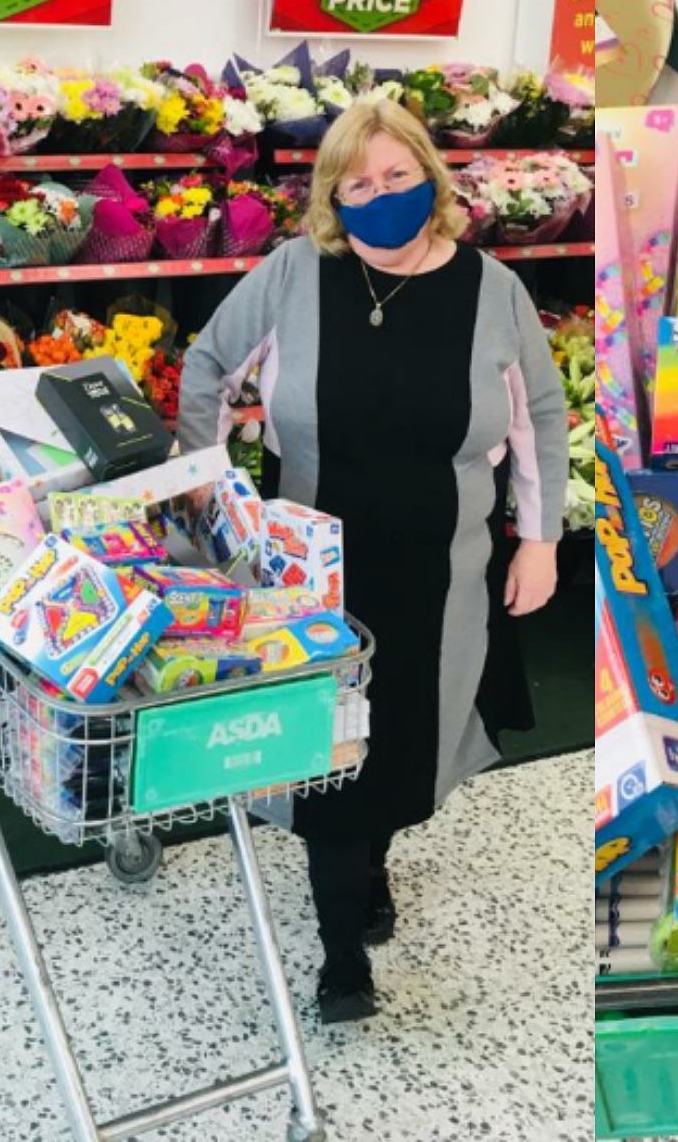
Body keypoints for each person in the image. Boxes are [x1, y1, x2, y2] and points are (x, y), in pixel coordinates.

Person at [178, 98, 568, 1024]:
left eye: (397, 176)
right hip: (310, 580)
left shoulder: (493, 291)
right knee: (328, 764)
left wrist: (541, 539)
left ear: (431, 178)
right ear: (331, 197)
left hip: (443, 576)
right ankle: (341, 953)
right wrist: (204, 492)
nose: (380, 196)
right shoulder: (294, 274)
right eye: (357, 184)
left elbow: (540, 417)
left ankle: (373, 862)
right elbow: (208, 368)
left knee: (402, 746)